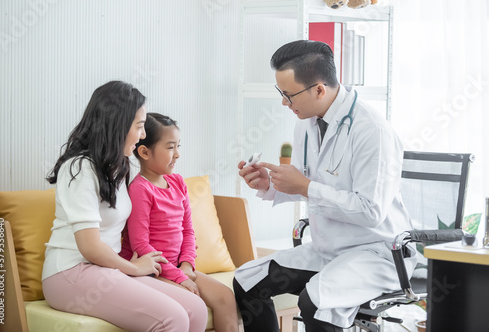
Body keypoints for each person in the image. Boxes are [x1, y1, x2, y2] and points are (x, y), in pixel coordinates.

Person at [233, 40, 418, 332]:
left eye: (288, 95)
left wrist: (306, 187)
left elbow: (371, 211)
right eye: (280, 93)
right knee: (247, 281)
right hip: (327, 249)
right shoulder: (306, 121)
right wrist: (271, 184)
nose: (284, 103)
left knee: (316, 303)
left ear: (319, 89)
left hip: (378, 254)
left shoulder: (373, 131)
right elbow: (310, 183)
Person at [42, 81, 208, 332]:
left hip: (106, 270)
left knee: (195, 308)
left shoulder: (118, 168)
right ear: (118, 124)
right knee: (173, 318)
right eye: (139, 126)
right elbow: (89, 247)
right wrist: (134, 268)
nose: (143, 135)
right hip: (70, 273)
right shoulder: (80, 168)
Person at [119, 112, 239, 332]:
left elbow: (188, 230)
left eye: (178, 146)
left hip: (178, 268)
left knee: (225, 296)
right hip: (152, 271)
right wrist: (178, 276)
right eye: (170, 147)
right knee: (189, 301)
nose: (177, 154)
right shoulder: (140, 189)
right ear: (145, 152)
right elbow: (141, 246)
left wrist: (186, 265)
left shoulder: (177, 182)